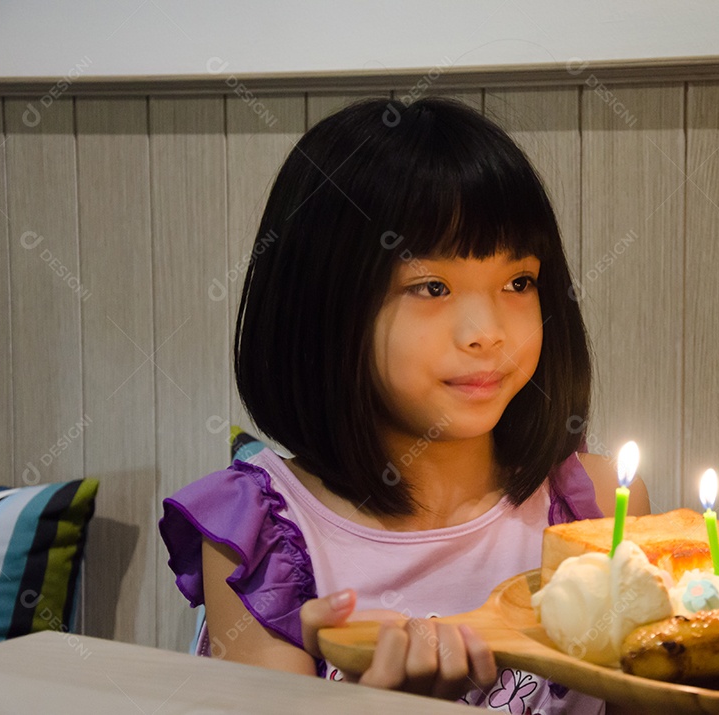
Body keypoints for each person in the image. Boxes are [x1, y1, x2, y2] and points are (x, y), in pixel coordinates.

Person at [159, 96, 650, 713]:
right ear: (324, 306)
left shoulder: (597, 507)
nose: (487, 332)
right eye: (432, 287)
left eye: (518, 282)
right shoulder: (263, 533)